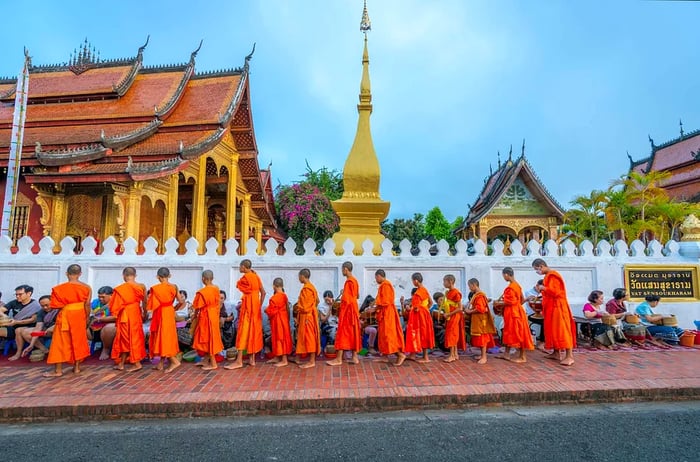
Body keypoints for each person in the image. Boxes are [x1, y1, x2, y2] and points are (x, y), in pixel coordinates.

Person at [44, 264, 92, 377]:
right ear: (80, 274)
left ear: (66, 273)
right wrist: (87, 317)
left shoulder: (59, 288)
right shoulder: (86, 287)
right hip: (80, 315)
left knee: (60, 341)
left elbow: (54, 305)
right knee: (78, 340)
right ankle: (76, 368)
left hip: (65, 314)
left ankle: (58, 370)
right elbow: (87, 304)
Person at [532, 258, 576, 366]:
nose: (537, 272)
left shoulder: (553, 275)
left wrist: (544, 288)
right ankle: (556, 353)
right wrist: (541, 289)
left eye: (536, 269)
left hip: (558, 307)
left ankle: (569, 356)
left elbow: (557, 292)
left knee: (562, 330)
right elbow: (548, 293)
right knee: (553, 330)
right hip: (551, 308)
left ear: (541, 266)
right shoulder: (547, 277)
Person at [226, 259, 265, 370]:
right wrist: (258, 305)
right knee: (253, 332)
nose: (239, 268)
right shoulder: (256, 276)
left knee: (243, 332)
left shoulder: (245, 278)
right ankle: (252, 359)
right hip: (255, 308)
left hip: (248, 308)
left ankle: (239, 361)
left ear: (243, 267)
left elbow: (238, 285)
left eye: (240, 266)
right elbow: (263, 292)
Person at [110, 267, 147, 372]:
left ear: (123, 276)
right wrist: (144, 313)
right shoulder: (141, 286)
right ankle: (121, 363)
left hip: (125, 315)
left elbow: (114, 306)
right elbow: (145, 302)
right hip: (136, 312)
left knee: (127, 338)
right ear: (135, 275)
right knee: (131, 337)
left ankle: (137, 363)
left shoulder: (120, 289)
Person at [147, 267, 183, 373]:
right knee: (165, 336)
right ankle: (161, 363)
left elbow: (152, 305)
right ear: (169, 276)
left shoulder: (156, 288)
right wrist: (173, 308)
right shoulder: (174, 286)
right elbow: (181, 301)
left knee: (163, 336)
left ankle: (174, 361)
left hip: (160, 312)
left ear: (158, 277)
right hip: (169, 312)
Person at [327, 261, 362, 366]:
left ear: (346, 269)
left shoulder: (349, 282)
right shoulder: (355, 281)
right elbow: (357, 296)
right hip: (354, 311)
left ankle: (338, 359)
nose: (342, 271)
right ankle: (355, 357)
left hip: (348, 312)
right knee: (353, 333)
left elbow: (346, 300)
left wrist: (339, 307)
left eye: (342, 269)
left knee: (342, 333)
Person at [368, 270, 406, 366]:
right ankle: (385, 356)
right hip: (384, 313)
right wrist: (373, 305)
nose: (376, 280)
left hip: (388, 313)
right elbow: (380, 299)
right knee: (383, 335)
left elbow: (386, 301)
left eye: (376, 278)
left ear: (379, 276)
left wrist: (374, 309)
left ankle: (400, 355)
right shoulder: (383, 286)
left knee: (389, 335)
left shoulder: (386, 285)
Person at [498, 267, 534, 363]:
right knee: (508, 332)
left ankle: (522, 356)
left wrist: (497, 303)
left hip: (514, 313)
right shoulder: (517, 286)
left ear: (506, 274)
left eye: (503, 276)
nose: (503, 278)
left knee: (518, 333)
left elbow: (511, 302)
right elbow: (521, 300)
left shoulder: (511, 287)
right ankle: (506, 354)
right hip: (515, 311)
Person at [192, 270, 224, 371]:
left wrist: (194, 316)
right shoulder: (216, 288)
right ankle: (206, 360)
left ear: (203, 279)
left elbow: (197, 307)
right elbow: (218, 303)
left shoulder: (202, 292)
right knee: (210, 337)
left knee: (208, 338)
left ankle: (213, 363)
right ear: (212, 278)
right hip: (214, 315)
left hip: (206, 316)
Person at [11, 295, 54, 360]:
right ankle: (45, 350)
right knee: (21, 331)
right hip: (45, 331)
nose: (45, 307)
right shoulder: (41, 312)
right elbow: (38, 327)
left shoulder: (59, 310)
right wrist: (31, 345)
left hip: (57, 331)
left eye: (47, 305)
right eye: (42, 306)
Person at [464, 278, 496, 364]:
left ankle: (484, 357)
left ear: (474, 285)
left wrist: (469, 311)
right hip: (477, 319)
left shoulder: (480, 296)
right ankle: (482, 355)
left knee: (482, 338)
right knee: (479, 337)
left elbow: (480, 308)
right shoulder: (477, 295)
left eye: (470, 286)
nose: (469, 288)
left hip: (481, 320)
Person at [293, 268, 321, 369]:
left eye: (299, 276)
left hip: (307, 316)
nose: (299, 278)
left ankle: (312, 361)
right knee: (302, 337)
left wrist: (298, 307)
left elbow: (304, 306)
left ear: (302, 276)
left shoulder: (307, 289)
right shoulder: (311, 287)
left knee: (309, 338)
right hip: (308, 315)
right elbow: (317, 301)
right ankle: (297, 358)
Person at [404, 273, 434, 363]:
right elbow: (431, 303)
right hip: (425, 315)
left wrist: (410, 308)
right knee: (421, 334)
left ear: (416, 281)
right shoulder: (424, 290)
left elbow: (416, 308)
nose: (413, 282)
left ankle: (425, 357)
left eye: (413, 280)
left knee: (420, 334)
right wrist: (425, 310)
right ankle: (412, 354)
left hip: (419, 317)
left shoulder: (418, 293)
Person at [265, 278, 293, 367]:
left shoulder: (274, 298)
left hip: (278, 321)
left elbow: (271, 311)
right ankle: (277, 356)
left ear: (274, 286)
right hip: (283, 320)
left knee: (281, 338)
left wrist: (266, 310)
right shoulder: (284, 296)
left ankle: (284, 360)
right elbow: (287, 309)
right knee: (277, 338)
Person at [88, 286, 117, 360]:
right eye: (99, 297)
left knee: (109, 328)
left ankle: (106, 349)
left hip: (110, 328)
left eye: (103, 297)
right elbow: (89, 312)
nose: (100, 299)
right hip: (94, 328)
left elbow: (116, 317)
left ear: (111, 295)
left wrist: (100, 319)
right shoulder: (95, 302)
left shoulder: (116, 303)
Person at [442, 274, 466, 363]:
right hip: (450, 316)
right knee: (452, 334)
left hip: (454, 316)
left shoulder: (456, 292)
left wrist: (449, 314)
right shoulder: (448, 292)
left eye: (445, 281)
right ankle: (455, 353)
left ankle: (451, 355)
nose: (443, 283)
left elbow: (460, 308)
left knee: (452, 334)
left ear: (450, 281)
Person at [524, 280, 545, 350]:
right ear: (537, 285)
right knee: (545, 322)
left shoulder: (544, 293)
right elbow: (532, 304)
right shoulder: (528, 292)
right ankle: (542, 342)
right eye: (541, 288)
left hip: (542, 314)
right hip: (531, 314)